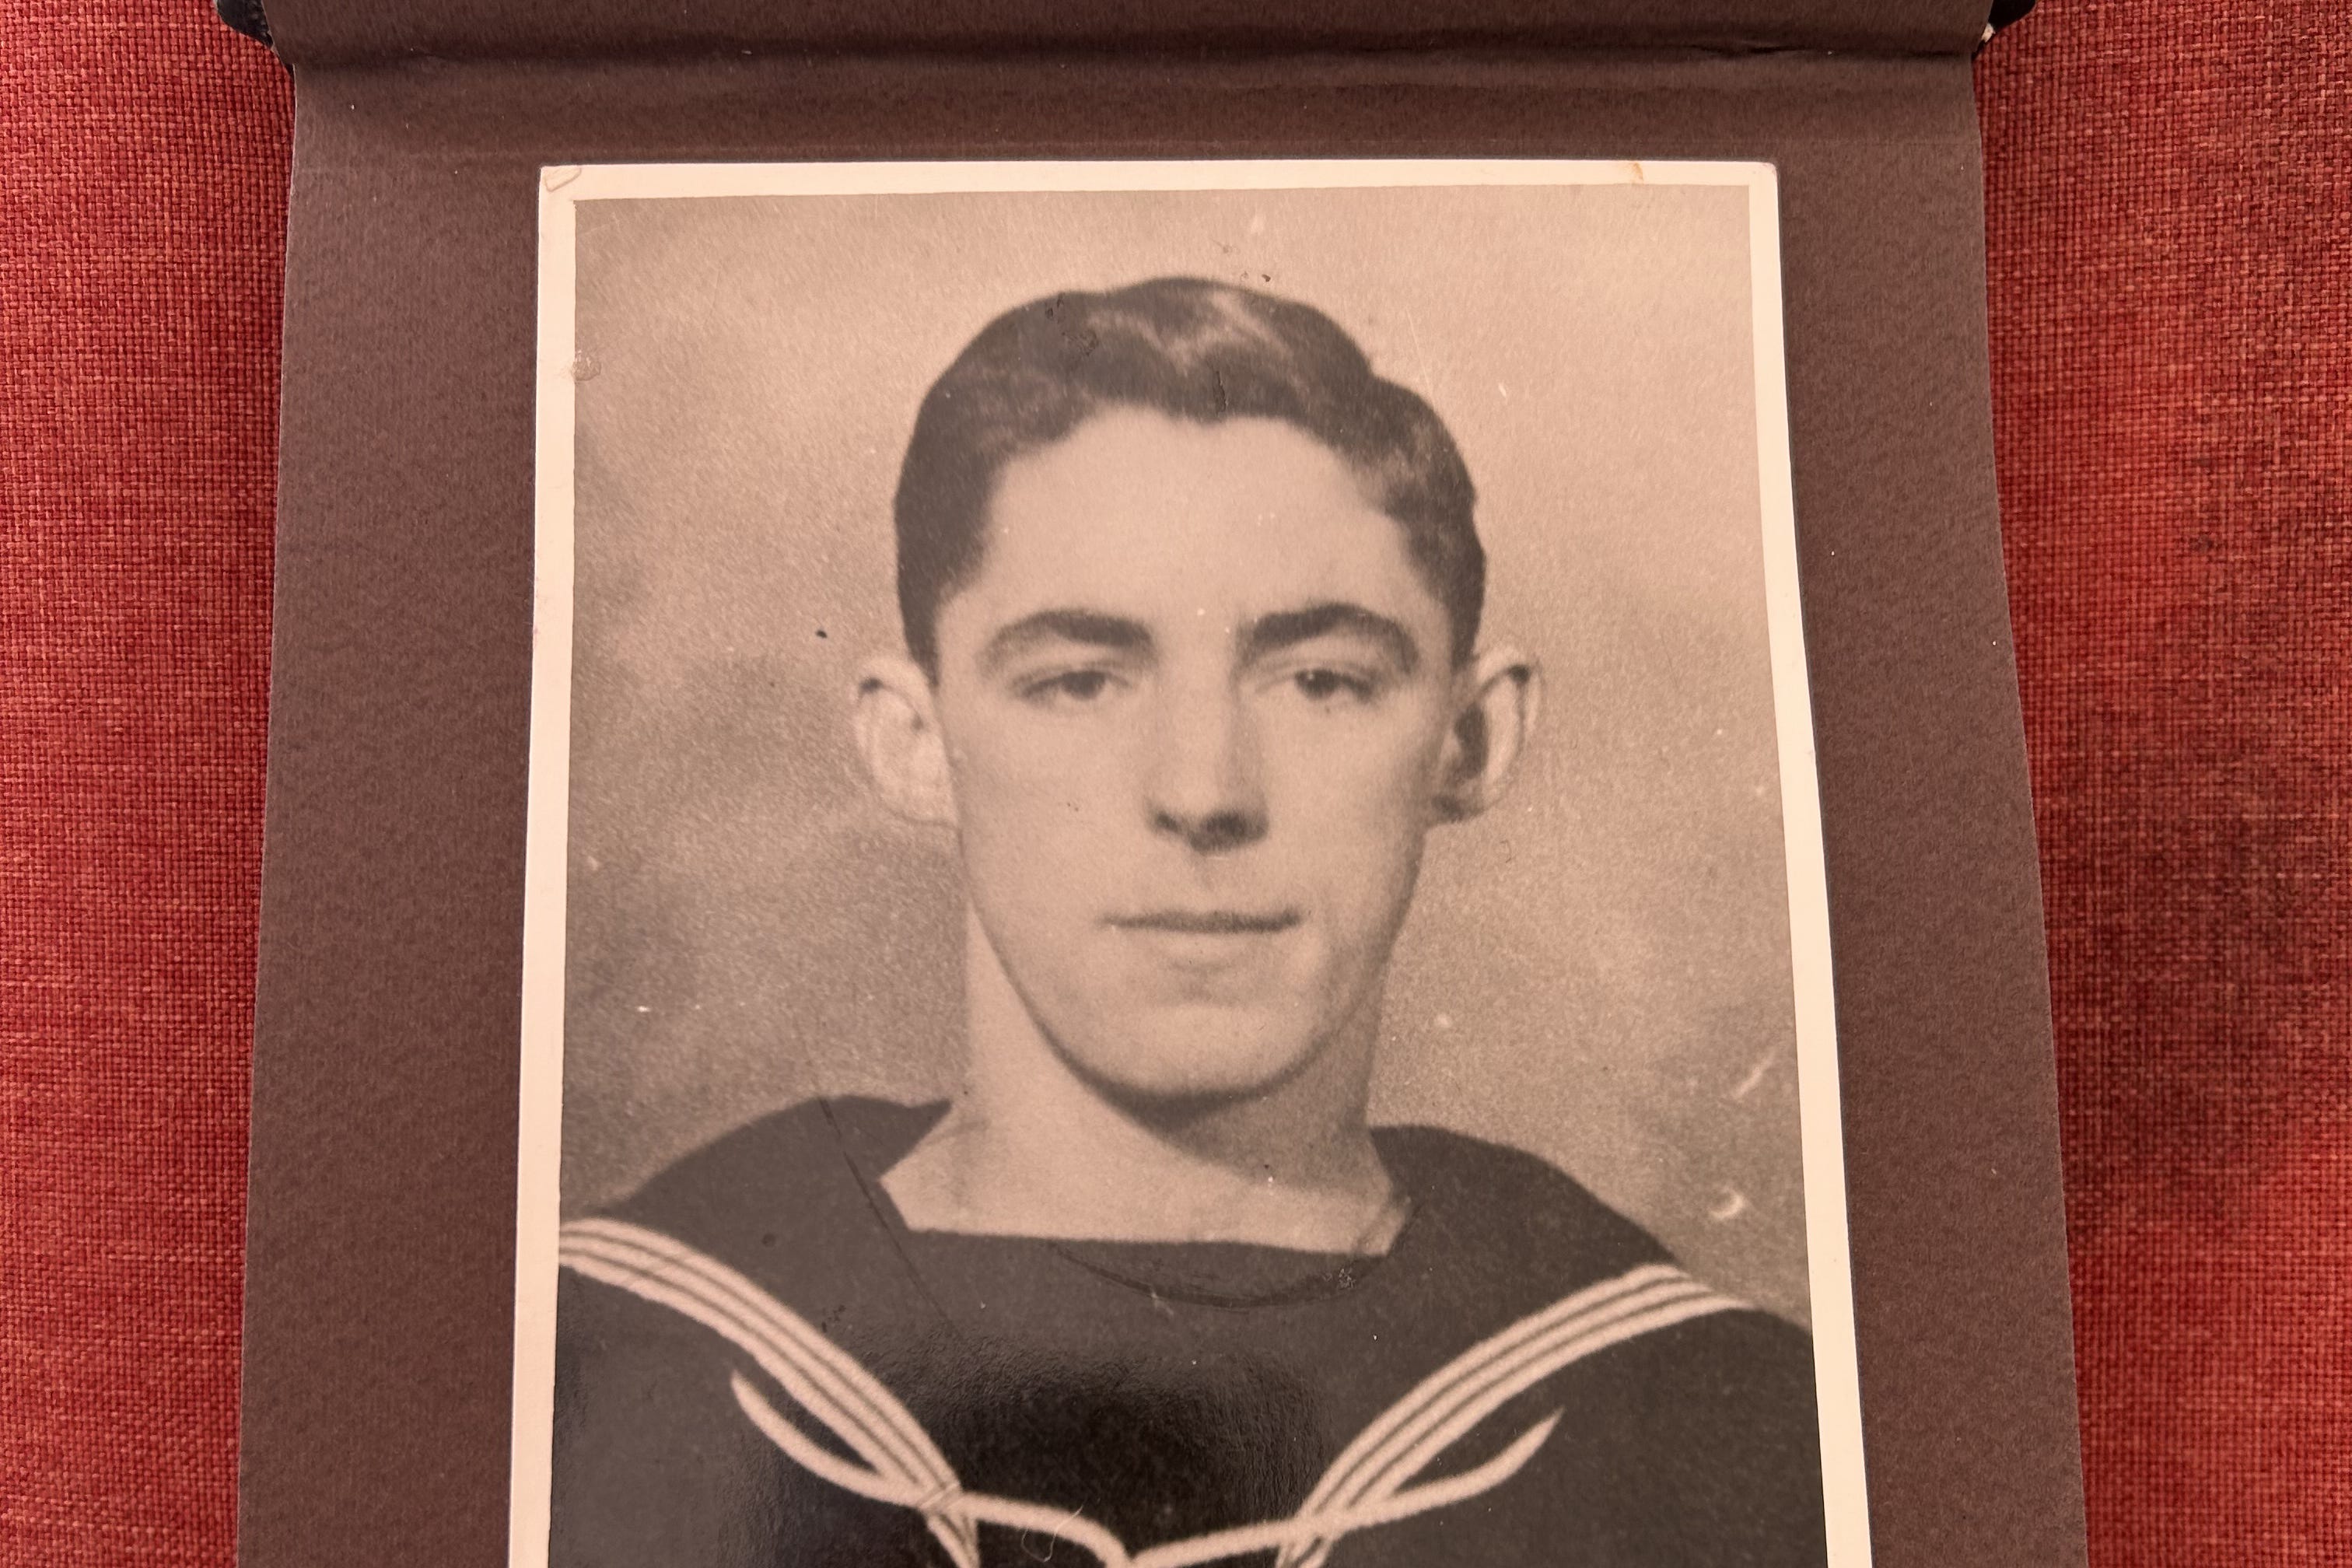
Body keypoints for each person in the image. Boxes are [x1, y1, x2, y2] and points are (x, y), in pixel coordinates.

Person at [549, 278, 1826, 1567]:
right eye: (1080, 680)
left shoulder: (1720, 1430)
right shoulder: (591, 1367)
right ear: (916, 745)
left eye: (1322, 680)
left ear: (1472, 738)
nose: (1204, 792)